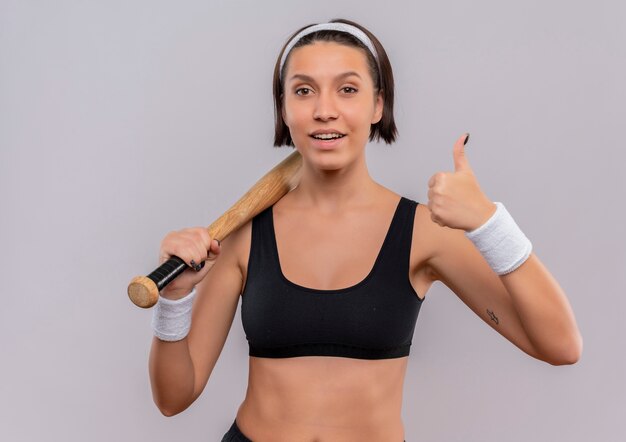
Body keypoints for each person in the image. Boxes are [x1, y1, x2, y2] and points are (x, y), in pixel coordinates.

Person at [148, 18, 583, 442]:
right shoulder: (245, 236)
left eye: (348, 89)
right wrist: (175, 297)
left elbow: (561, 346)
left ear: (378, 104)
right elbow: (173, 398)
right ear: (284, 107)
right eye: (303, 91)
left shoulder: (423, 233)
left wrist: (490, 223)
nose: (324, 110)